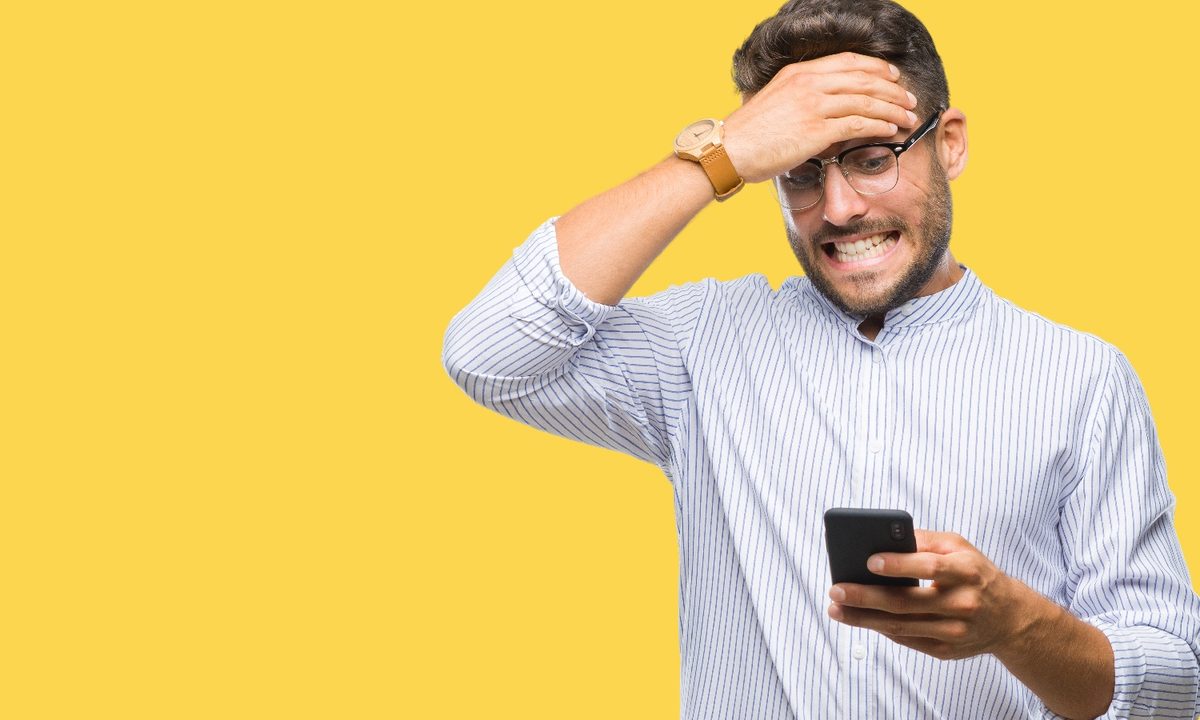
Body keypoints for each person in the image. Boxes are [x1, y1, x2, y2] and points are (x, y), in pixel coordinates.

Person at [441, 0, 1200, 716]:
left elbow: (1174, 685)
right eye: (801, 171)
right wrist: (717, 156)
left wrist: (1018, 626)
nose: (838, 209)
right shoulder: (701, 345)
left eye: (871, 159)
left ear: (950, 143)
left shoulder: (1082, 380)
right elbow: (488, 354)